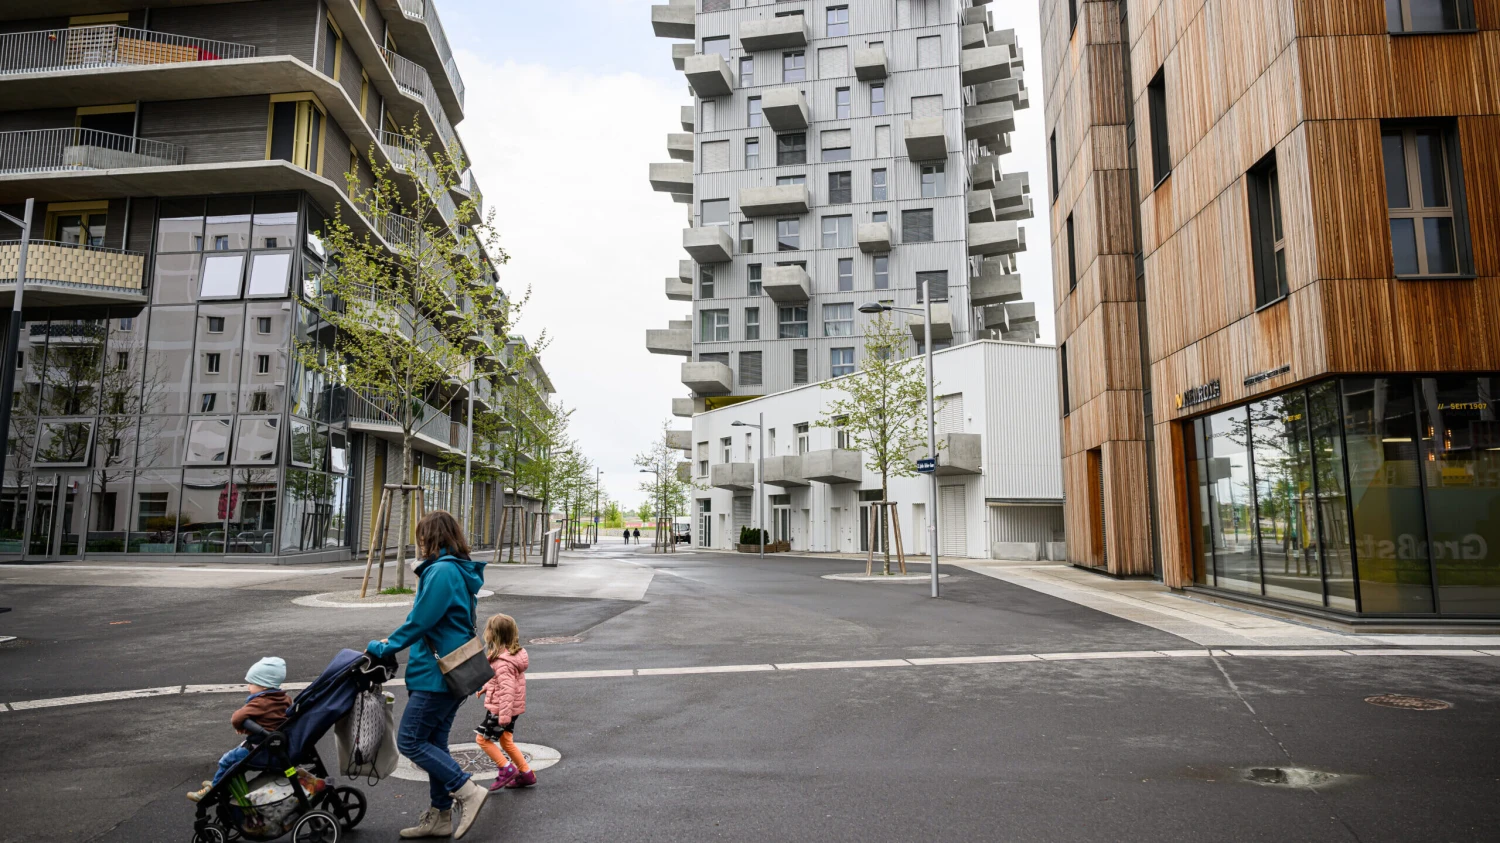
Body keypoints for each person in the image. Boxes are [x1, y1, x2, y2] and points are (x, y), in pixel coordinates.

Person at [368, 511, 490, 840]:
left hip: (437, 675)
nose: (419, 543)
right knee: (434, 741)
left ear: (432, 537)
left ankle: (467, 791)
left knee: (411, 739)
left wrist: (385, 647)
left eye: (422, 536)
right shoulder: (458, 571)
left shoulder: (441, 572)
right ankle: (439, 816)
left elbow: (421, 620)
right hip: (454, 670)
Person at [186, 657, 290, 802]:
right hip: (272, 745)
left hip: (259, 748)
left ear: (264, 686)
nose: (248, 687)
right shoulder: (285, 699)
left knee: (228, 759)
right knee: (234, 761)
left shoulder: (261, 702)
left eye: (251, 683)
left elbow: (237, 717)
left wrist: (240, 726)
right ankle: (220, 780)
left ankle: (213, 788)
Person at [473, 614, 538, 790]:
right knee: (506, 741)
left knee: (483, 739)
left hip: (502, 709)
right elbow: (502, 681)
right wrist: (488, 686)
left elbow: (507, 690)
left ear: (493, 634)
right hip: (509, 708)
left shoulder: (503, 662)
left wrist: (503, 716)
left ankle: (506, 768)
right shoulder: (511, 655)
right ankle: (526, 774)